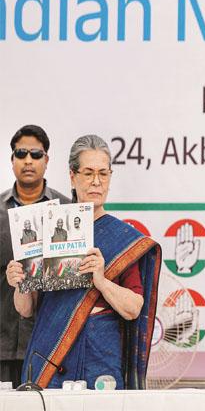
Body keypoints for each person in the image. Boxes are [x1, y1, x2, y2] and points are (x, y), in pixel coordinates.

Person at [5, 135, 161, 389]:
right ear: (72, 176)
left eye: (103, 173)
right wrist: (19, 283)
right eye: (88, 173)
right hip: (52, 356)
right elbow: (26, 309)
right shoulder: (44, 229)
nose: (96, 182)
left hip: (100, 358)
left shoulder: (122, 238)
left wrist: (101, 280)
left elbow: (133, 308)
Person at [0, 125, 70, 387]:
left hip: (49, 343)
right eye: (21, 153)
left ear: (47, 160)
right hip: (2, 342)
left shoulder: (65, 210)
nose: (28, 160)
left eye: (36, 154)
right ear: (12, 160)